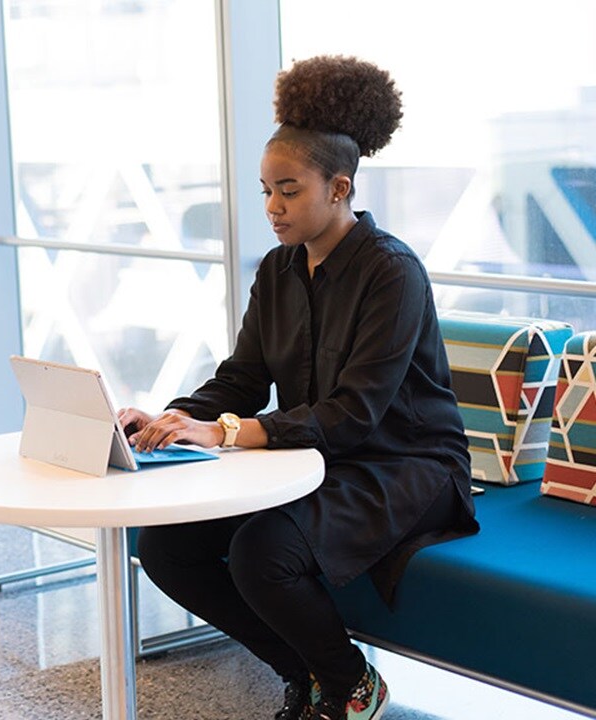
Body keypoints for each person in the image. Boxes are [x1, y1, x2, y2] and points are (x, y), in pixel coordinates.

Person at [117, 55, 479, 720]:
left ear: (339, 188)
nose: (272, 208)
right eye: (265, 190)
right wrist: (170, 418)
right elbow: (244, 377)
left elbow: (357, 413)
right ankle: (311, 675)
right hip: (313, 457)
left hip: (407, 465)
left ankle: (352, 688)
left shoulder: (393, 273)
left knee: (263, 551)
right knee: (168, 547)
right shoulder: (279, 271)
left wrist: (227, 433)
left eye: (288, 189)